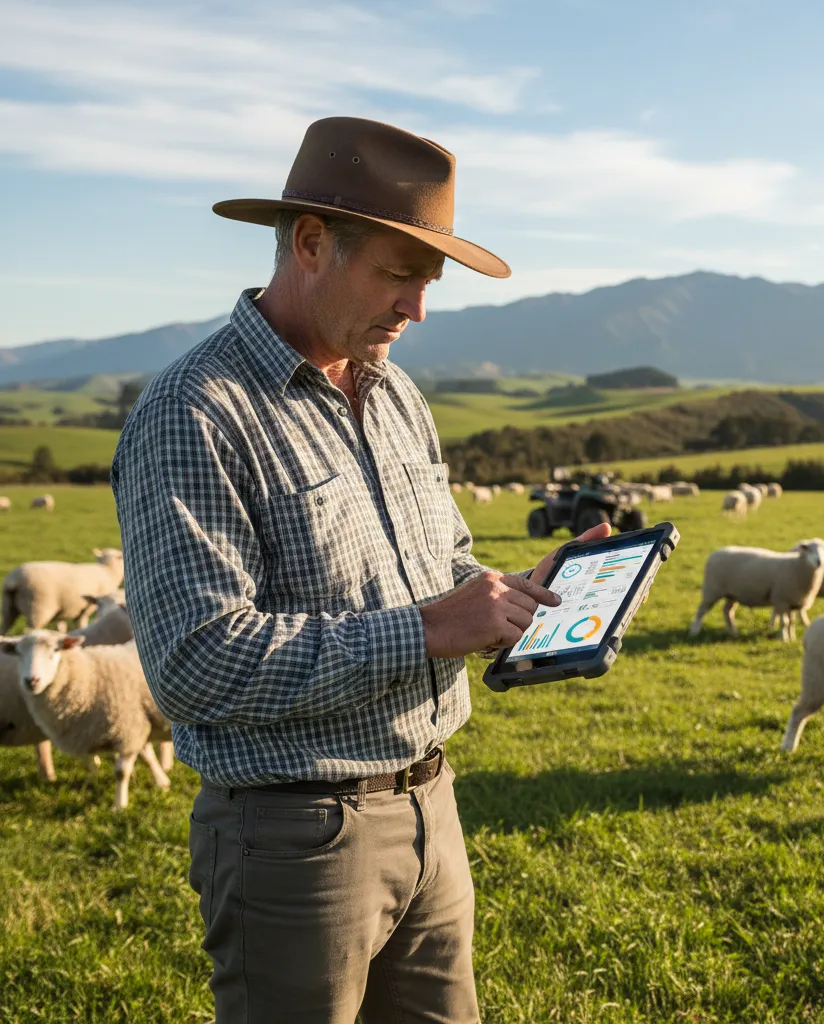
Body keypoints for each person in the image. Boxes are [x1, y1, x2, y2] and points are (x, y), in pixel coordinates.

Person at [111, 116, 610, 1024]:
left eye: (430, 282)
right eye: (399, 273)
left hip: (433, 803)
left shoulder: (395, 392)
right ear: (310, 242)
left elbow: (442, 564)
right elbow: (194, 662)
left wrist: (514, 597)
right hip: (294, 839)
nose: (417, 309)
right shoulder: (196, 411)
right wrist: (429, 629)